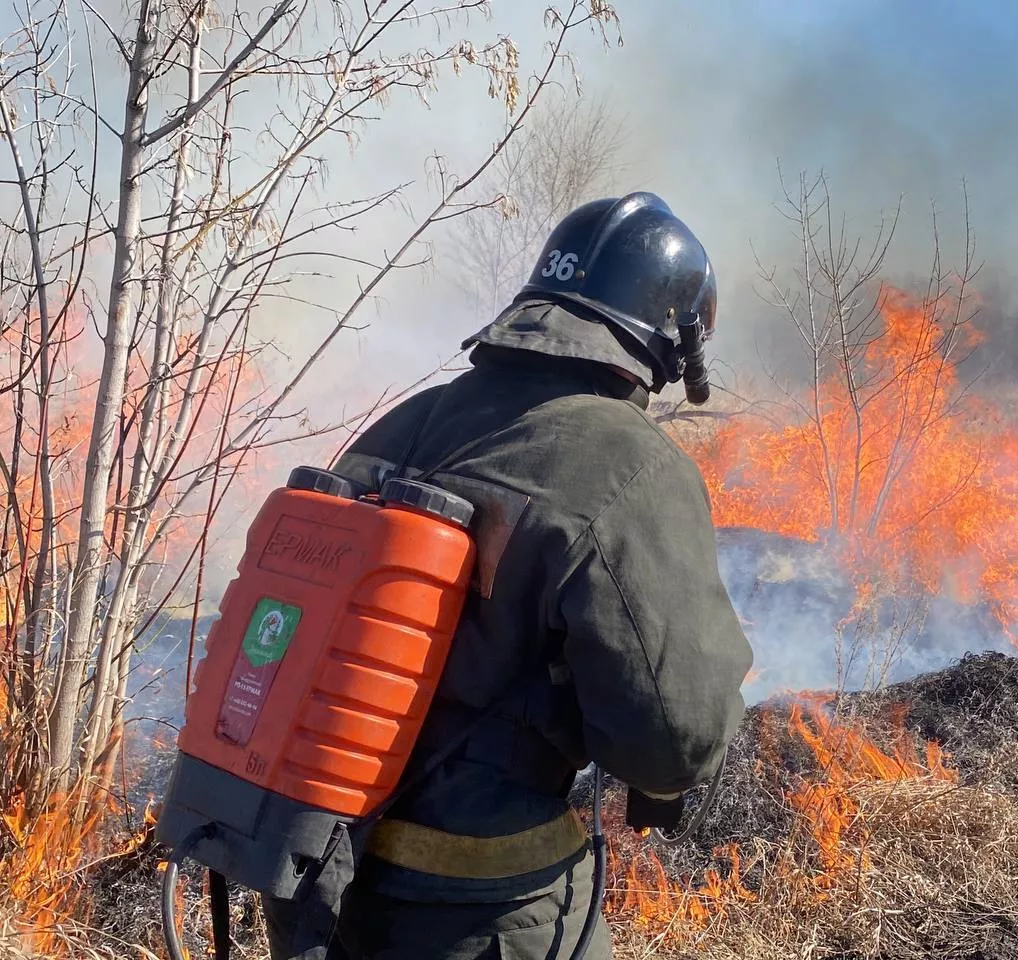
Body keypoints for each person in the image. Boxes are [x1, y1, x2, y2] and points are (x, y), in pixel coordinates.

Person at [268, 191, 753, 960]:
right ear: (664, 343)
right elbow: (673, 741)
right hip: (480, 908)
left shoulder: (409, 419)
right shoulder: (629, 464)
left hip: (315, 874)